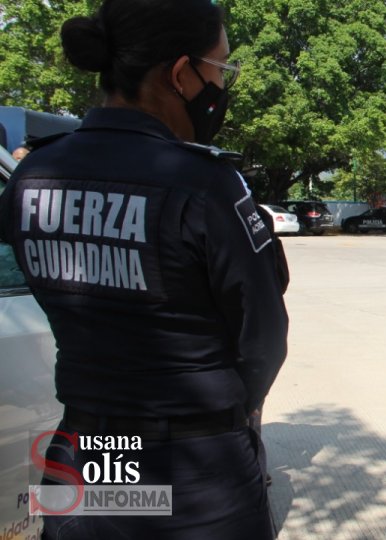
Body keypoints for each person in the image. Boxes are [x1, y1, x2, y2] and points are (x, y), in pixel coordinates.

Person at [0, 1, 288, 538]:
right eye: (221, 68)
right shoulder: (206, 182)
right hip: (195, 468)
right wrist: (228, 416)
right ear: (180, 74)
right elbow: (263, 340)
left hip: (84, 450)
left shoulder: (33, 172)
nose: (222, 85)